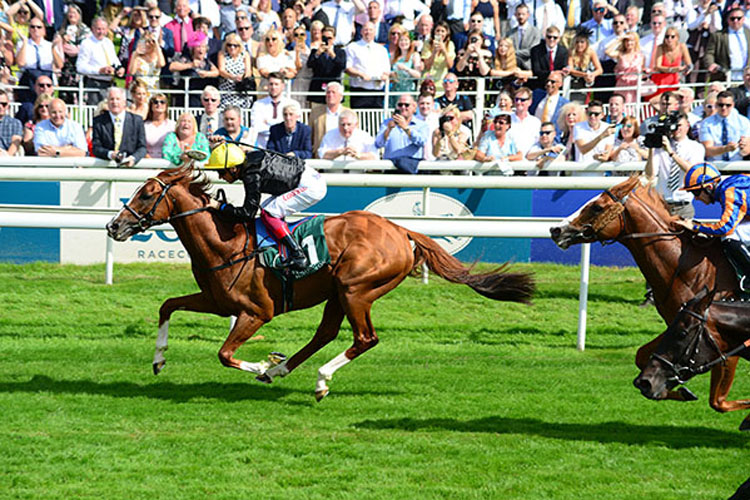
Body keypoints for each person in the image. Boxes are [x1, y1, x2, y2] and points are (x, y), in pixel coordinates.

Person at [205, 142, 327, 271]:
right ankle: (280, 248)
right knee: (265, 209)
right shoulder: (249, 160)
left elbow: (248, 213)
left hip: (310, 186)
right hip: (305, 176)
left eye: (221, 172)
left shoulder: (251, 175)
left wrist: (219, 206)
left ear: (233, 169)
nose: (220, 176)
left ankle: (298, 255)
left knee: (270, 213)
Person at [676, 163, 750, 291]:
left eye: (696, 192)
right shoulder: (731, 184)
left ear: (709, 187)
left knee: (730, 235)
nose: (696, 199)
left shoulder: (730, 192)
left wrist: (695, 227)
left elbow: (725, 228)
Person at [643, 111, 705, 217]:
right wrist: (651, 149)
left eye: (679, 125)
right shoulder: (661, 147)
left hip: (683, 205)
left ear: (687, 126)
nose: (676, 128)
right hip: (663, 205)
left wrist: (671, 152)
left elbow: (692, 170)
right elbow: (650, 175)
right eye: (674, 125)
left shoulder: (696, 147)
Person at [91, 87, 147, 167]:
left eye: (118, 99)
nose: (115, 102)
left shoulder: (137, 121)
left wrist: (133, 158)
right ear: (107, 102)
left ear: (124, 102)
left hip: (130, 169)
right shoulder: (98, 121)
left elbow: (142, 147)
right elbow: (96, 147)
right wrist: (110, 154)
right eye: (111, 99)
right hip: (106, 168)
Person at [374, 94, 429, 174]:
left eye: (406, 105)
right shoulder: (387, 123)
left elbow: (422, 142)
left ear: (414, 108)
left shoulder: (422, 125)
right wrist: (388, 130)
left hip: (412, 167)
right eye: (400, 105)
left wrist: (406, 129)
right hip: (391, 167)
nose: (403, 107)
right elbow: (378, 144)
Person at [345, 21, 391, 109]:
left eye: (371, 30)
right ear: (361, 31)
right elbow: (347, 68)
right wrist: (360, 74)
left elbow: (387, 70)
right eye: (366, 29)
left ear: (374, 32)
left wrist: (384, 76)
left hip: (377, 91)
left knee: (375, 120)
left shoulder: (382, 50)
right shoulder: (352, 47)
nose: (368, 32)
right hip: (359, 91)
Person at [168, 31, 219, 107]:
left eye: (203, 47)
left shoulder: (207, 62)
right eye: (198, 47)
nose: (201, 50)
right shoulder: (186, 59)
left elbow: (216, 72)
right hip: (188, 98)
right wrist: (190, 65)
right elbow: (172, 67)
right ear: (193, 49)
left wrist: (206, 74)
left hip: (203, 100)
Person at [700, 91, 750, 162]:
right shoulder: (706, 123)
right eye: (721, 105)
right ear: (716, 104)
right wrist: (725, 149)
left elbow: (747, 151)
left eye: (728, 105)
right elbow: (707, 151)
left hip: (737, 165)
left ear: (733, 105)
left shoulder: (743, 122)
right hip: (715, 166)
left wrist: (743, 147)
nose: (724, 108)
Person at [55, 4, 90, 104]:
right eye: (69, 12)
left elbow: (84, 47)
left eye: (74, 12)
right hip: (65, 67)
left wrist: (74, 49)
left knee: (79, 97)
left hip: (79, 66)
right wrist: (62, 41)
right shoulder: (62, 29)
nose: (71, 15)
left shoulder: (85, 30)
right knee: (65, 97)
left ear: (79, 15)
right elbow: (57, 44)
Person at [250, 72, 296, 148]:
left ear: (283, 86)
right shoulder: (258, 105)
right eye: (271, 84)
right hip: (262, 147)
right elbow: (257, 127)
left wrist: (268, 122)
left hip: (284, 148)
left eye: (276, 84)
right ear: (268, 86)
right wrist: (280, 126)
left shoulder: (292, 104)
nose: (273, 87)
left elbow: (293, 127)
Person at [704, 7, 750, 82]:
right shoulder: (718, 35)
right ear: (728, 20)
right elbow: (709, 53)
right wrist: (710, 64)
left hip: (746, 79)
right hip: (725, 77)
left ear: (743, 19)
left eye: (739, 18)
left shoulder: (748, 34)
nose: (735, 21)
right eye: (732, 18)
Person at [307, 25, 347, 104]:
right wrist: (317, 54)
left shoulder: (340, 52)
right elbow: (309, 65)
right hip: (318, 89)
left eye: (329, 38)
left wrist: (333, 55)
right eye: (324, 37)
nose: (327, 40)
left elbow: (342, 66)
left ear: (334, 38)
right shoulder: (315, 51)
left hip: (334, 88)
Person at [573, 100, 615, 175]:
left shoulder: (607, 127)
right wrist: (601, 136)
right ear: (586, 113)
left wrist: (598, 157)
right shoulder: (578, 126)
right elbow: (583, 149)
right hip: (580, 174)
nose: (592, 116)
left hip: (599, 175)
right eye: (590, 113)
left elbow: (606, 156)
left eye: (596, 114)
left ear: (602, 115)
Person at [649, 26, 691, 98]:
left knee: (672, 102)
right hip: (660, 80)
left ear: (677, 37)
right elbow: (658, 66)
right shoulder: (660, 47)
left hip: (673, 80)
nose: (669, 39)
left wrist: (688, 68)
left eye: (672, 37)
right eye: (667, 36)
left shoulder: (682, 46)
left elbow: (689, 63)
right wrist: (673, 69)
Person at [309, 81, 349, 156]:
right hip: (322, 155)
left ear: (341, 97)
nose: (330, 95)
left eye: (333, 92)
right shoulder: (316, 112)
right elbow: (310, 135)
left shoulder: (349, 113)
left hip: (343, 156)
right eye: (328, 92)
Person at [605, 31, 643, 104]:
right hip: (622, 85)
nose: (629, 43)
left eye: (631, 40)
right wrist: (619, 39)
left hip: (634, 86)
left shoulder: (640, 56)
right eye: (627, 41)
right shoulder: (620, 54)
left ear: (636, 42)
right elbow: (607, 52)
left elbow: (643, 70)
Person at [217, 32, 252, 108]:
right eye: (229, 45)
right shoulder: (222, 54)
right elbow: (221, 70)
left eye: (235, 45)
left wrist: (242, 78)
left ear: (239, 46)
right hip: (226, 91)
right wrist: (232, 77)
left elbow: (248, 71)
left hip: (241, 92)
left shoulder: (245, 54)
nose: (232, 47)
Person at [568, 29, 602, 104]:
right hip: (573, 85)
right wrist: (584, 75)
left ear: (586, 43)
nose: (579, 45)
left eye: (582, 42)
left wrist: (592, 75)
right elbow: (571, 70)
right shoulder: (571, 53)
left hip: (585, 86)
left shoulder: (591, 52)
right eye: (577, 42)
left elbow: (599, 69)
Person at [421, 21, 455, 95]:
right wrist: (434, 52)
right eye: (438, 31)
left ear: (447, 33)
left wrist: (444, 50)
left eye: (443, 31)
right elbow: (427, 65)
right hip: (428, 80)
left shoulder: (450, 44)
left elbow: (450, 65)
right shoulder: (427, 43)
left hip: (442, 81)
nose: (440, 33)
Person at [389, 33, 423, 107]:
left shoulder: (414, 55)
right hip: (396, 90)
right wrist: (392, 74)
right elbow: (389, 71)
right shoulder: (394, 56)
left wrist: (406, 69)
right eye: (401, 40)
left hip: (408, 90)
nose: (403, 42)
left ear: (410, 42)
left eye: (406, 40)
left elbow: (418, 75)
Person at [530, 26, 568, 91]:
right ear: (545, 37)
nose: (551, 39)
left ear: (559, 39)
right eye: (549, 37)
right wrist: (552, 73)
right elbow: (536, 70)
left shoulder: (563, 51)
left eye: (555, 38)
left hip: (557, 86)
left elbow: (563, 69)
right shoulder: (536, 50)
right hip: (540, 85)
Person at [509, 86, 541, 158]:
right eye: (517, 99)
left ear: (530, 102)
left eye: (522, 100)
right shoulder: (506, 119)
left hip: (529, 165)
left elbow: (537, 144)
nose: (519, 102)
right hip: (509, 163)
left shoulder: (536, 122)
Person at [508, 4, 540, 71]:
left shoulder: (535, 32)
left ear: (528, 15)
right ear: (515, 15)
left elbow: (532, 51)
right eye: (519, 14)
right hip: (512, 66)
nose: (521, 16)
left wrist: (514, 52)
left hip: (529, 66)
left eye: (523, 14)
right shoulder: (510, 33)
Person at [144, 92, 174, 158]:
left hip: (168, 162)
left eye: (162, 102)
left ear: (166, 106)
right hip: (147, 162)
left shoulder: (173, 125)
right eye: (155, 102)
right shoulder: (144, 125)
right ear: (151, 106)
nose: (159, 104)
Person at [0, 89, 23, 156]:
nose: (0, 107)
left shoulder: (15, 123)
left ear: (8, 105)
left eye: (4, 104)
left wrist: (7, 158)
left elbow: (15, 143)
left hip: (6, 158)